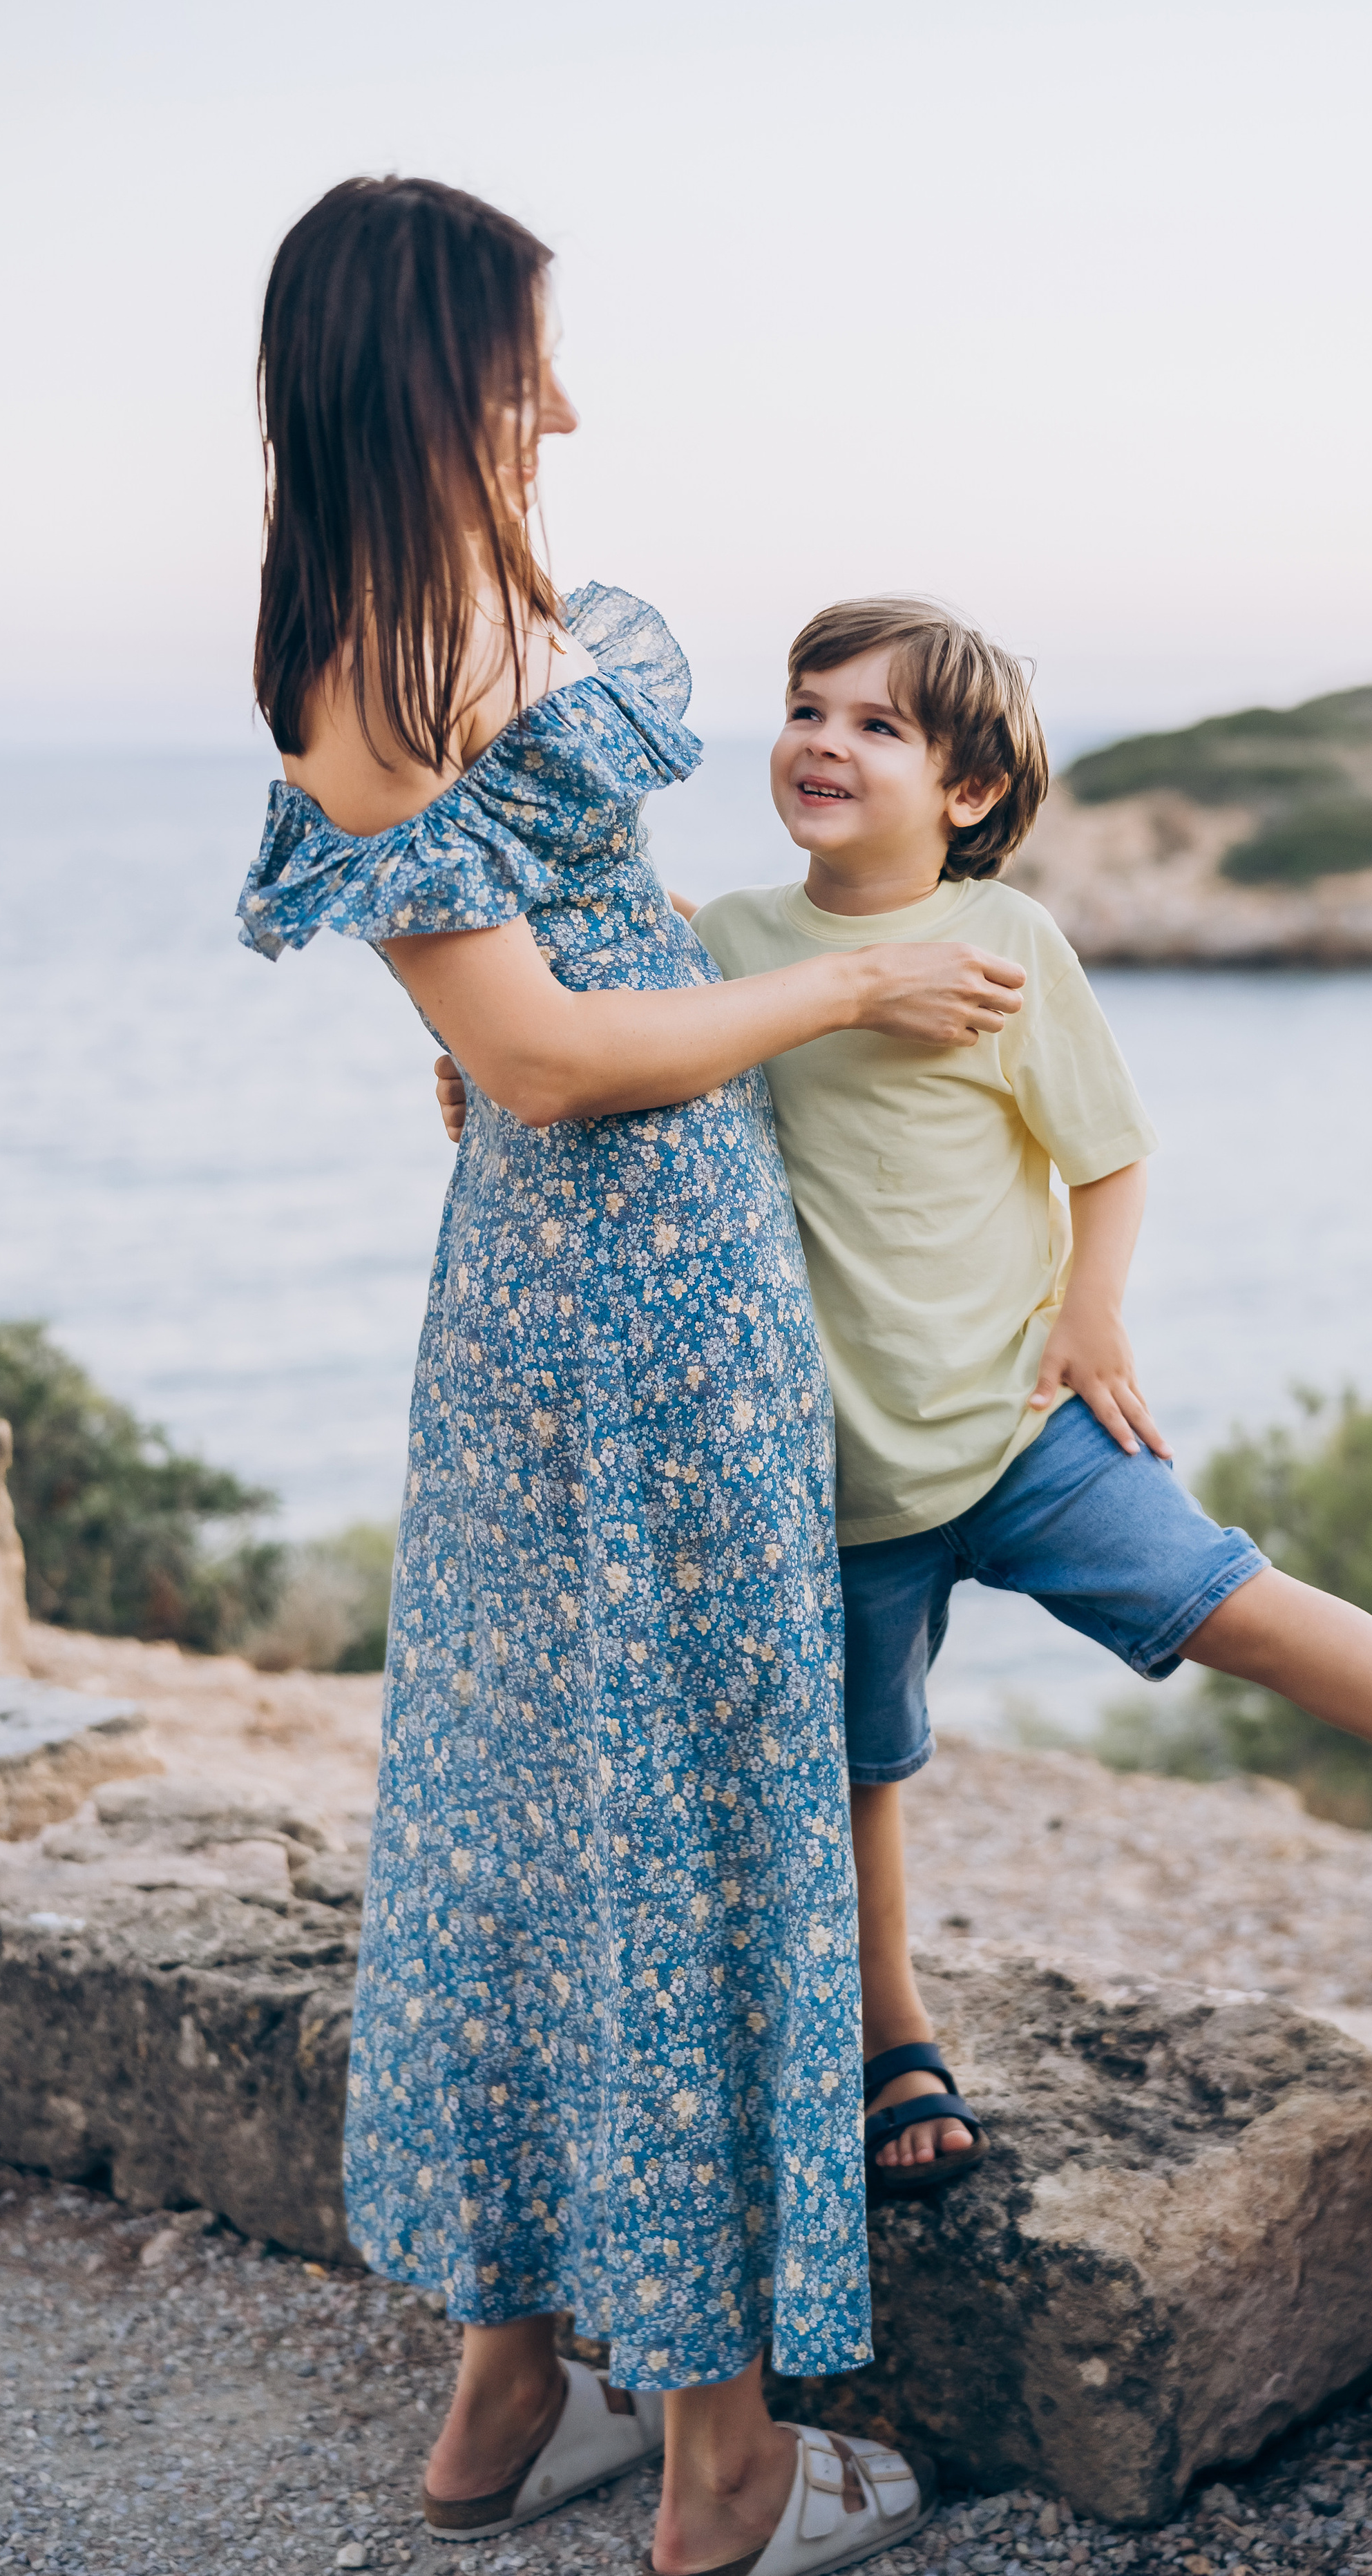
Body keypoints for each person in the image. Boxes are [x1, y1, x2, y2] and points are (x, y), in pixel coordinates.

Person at [441, 595, 1372, 2200]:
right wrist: (478, 1061)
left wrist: (1091, 1316)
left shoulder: (1003, 943)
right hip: (826, 1477)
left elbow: (1110, 1149)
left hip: (1020, 1427)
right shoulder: (726, 944)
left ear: (965, 793)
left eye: (880, 725)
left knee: (1229, 1597)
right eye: (807, 707)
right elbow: (601, 1033)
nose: (824, 740)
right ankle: (892, 2039)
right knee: (855, 1770)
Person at [240, 180, 1024, 2568]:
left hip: (532, 1287)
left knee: (520, 1786)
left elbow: (524, 990)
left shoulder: (386, 623)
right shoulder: (390, 652)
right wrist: (847, 988)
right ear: (428, 372)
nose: (557, 404)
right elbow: (553, 1054)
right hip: (640, 1272)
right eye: (522, 367)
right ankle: (716, 2449)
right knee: (680, 1798)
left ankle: (502, 2381)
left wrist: (623, 999)